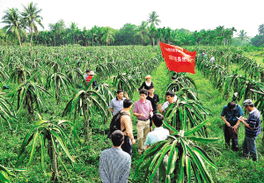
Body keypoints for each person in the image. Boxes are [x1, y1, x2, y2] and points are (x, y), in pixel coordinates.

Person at [133, 89, 153, 154]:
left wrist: (151, 113)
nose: (142, 97)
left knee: (146, 135)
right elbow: (134, 113)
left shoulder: (149, 102)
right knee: (140, 136)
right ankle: (140, 149)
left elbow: (151, 110)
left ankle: (145, 148)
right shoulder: (136, 103)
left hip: (147, 121)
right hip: (140, 121)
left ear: (146, 96)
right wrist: (139, 114)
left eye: (143, 95)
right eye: (141, 95)